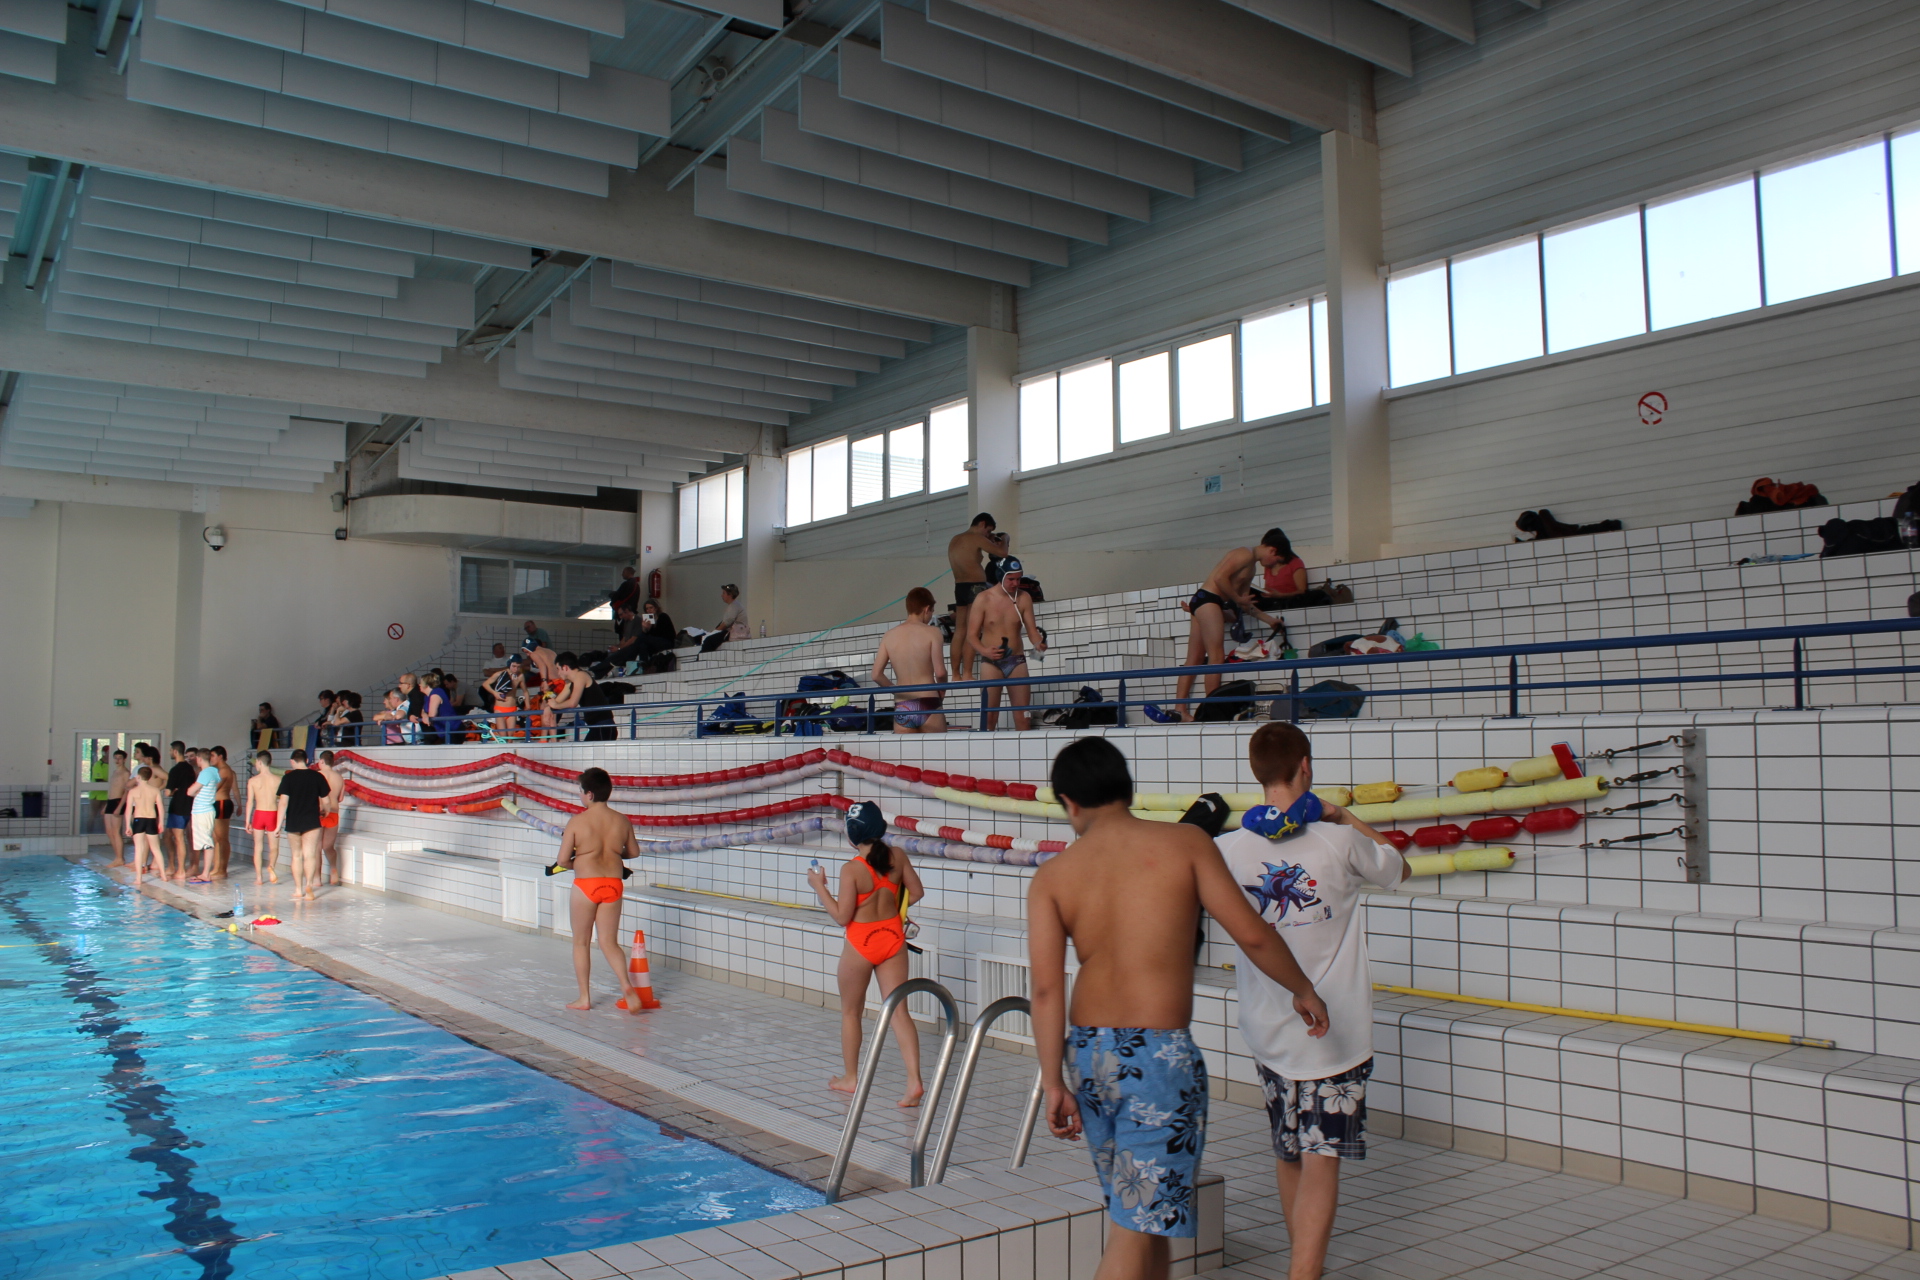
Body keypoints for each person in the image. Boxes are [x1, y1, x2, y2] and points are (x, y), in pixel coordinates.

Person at [1027, 738, 1328, 1280]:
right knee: (1134, 1227)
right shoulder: (1185, 843)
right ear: (1127, 788)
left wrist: (1053, 1081)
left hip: (1090, 1055)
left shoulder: (1053, 876)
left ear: (1069, 803)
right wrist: (1302, 988)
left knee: (1147, 1220)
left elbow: (1046, 991)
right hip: (1157, 1057)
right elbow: (1252, 935)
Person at [1215, 724, 1408, 1280]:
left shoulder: (1227, 850)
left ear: (1256, 772)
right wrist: (1342, 815)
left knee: (1288, 1152)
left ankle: (1303, 1266)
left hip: (1267, 1029)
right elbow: (1399, 867)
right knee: (1322, 1159)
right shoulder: (1339, 841)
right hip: (1335, 1033)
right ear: (1306, 766)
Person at [807, 801, 927, 1107]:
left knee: (851, 1012)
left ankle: (851, 1078)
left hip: (861, 943)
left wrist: (819, 887)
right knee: (899, 1012)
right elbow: (916, 892)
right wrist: (894, 909)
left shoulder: (852, 869)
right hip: (893, 939)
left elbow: (841, 916)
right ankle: (914, 1081)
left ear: (851, 835)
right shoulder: (897, 856)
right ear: (881, 827)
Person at [1149, 530, 1292, 724]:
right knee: (1216, 657)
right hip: (1209, 600)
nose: (1274, 565)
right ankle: (1211, 710)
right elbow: (1220, 579)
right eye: (1277, 560)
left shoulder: (1251, 568)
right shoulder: (1244, 553)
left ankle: (1180, 710)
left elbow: (1245, 604)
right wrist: (1236, 598)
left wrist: (1269, 620)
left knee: (1194, 659)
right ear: (1273, 551)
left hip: (1203, 601)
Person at [554, 767, 644, 1012]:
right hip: (613, 885)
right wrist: (613, 854)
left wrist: (580, 862)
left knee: (581, 942)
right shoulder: (621, 820)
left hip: (586, 885)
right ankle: (626, 986)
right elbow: (634, 852)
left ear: (590, 794)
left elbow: (562, 860)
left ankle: (584, 998)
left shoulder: (577, 822)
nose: (580, 796)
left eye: (580, 792)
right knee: (609, 942)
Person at [966, 557, 1046, 731]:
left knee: (1023, 718)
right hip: (991, 663)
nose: (1015, 583)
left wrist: (1038, 643)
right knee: (989, 718)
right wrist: (984, 651)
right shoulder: (983, 598)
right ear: (1000, 576)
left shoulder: (1023, 598)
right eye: (1011, 579)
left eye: (1018, 579)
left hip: (1016, 661)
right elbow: (971, 636)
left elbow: (1032, 631)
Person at [871, 587, 948, 734]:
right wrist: (942, 690)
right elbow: (940, 673)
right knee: (936, 749)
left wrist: (896, 691)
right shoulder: (932, 632)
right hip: (928, 701)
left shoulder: (889, 635)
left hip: (903, 704)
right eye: (931, 612)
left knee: (906, 750)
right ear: (927, 609)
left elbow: (876, 675)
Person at [947, 512, 1010, 681]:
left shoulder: (955, 539)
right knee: (972, 631)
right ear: (982, 524)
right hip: (975, 586)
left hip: (959, 586)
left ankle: (955, 675)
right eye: (988, 531)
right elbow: (1002, 553)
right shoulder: (975, 537)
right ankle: (967, 673)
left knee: (959, 631)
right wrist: (1005, 538)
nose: (988, 535)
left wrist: (989, 539)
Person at [277, 749, 330, 901]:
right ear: (307, 761)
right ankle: (309, 886)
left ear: (292, 761)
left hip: (293, 821)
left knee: (296, 856)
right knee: (310, 855)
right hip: (312, 821)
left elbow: (283, 803)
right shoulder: (317, 776)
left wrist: (277, 826)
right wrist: (325, 812)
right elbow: (326, 801)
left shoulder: (288, 778)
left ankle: (298, 889)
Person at [548, 652, 618, 741]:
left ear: (565, 667)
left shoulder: (581, 675)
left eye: (558, 669)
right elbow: (558, 700)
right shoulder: (570, 682)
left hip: (604, 726)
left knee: (586, 749)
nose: (558, 673)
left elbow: (572, 703)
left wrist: (555, 705)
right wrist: (549, 707)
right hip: (596, 726)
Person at [245, 751, 282, 884]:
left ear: (259, 762)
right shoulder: (278, 780)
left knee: (258, 847)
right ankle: (271, 867)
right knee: (274, 847)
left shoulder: (253, 781)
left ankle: (259, 878)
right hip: (273, 813)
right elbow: (282, 801)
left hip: (259, 814)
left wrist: (247, 821)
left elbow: (250, 802)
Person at [125, 765, 166, 881]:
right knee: (156, 849)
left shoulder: (133, 791)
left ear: (138, 777)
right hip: (151, 820)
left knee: (139, 849)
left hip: (138, 820)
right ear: (149, 777)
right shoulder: (155, 790)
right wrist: (161, 822)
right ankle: (163, 875)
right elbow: (161, 808)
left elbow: (128, 810)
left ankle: (138, 878)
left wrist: (128, 825)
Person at [186, 747, 220, 883]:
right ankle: (205, 873)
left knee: (206, 842)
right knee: (205, 841)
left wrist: (195, 792)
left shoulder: (205, 773)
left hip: (203, 811)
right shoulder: (214, 771)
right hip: (205, 810)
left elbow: (190, 791)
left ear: (199, 759)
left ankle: (206, 874)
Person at [163, 741, 196, 881]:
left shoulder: (175, 770)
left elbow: (167, 792)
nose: (170, 753)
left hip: (178, 806)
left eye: (171, 750)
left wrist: (173, 791)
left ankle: (180, 869)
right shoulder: (190, 769)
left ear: (175, 751)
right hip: (188, 805)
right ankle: (172, 866)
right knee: (168, 836)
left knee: (178, 838)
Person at [316, 750, 346, 885]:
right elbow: (340, 798)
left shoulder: (317, 775)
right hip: (333, 813)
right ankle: (334, 870)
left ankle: (317, 879)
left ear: (321, 761)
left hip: (319, 813)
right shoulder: (339, 778)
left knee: (316, 848)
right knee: (328, 847)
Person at [211, 745, 237, 879]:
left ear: (220, 756)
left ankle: (222, 869)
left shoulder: (224, 770)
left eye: (212, 756)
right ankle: (217, 867)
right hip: (218, 804)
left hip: (221, 803)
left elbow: (214, 788)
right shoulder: (219, 770)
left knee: (221, 839)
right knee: (216, 838)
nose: (210, 758)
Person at [102, 749, 130, 868]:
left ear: (124, 759)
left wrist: (120, 806)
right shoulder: (114, 772)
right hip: (110, 801)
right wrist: (106, 805)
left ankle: (120, 858)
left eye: (120, 758)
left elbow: (126, 791)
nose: (117, 760)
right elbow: (112, 789)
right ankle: (117, 856)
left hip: (118, 801)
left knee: (116, 831)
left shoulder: (126, 773)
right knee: (109, 831)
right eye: (115, 758)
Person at [700, 584, 747, 653]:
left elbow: (728, 622)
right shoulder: (735, 605)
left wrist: (715, 631)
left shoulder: (734, 606)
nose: (722, 595)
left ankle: (702, 657)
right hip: (734, 632)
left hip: (734, 632)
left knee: (709, 640)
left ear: (730, 594)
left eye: (724, 593)